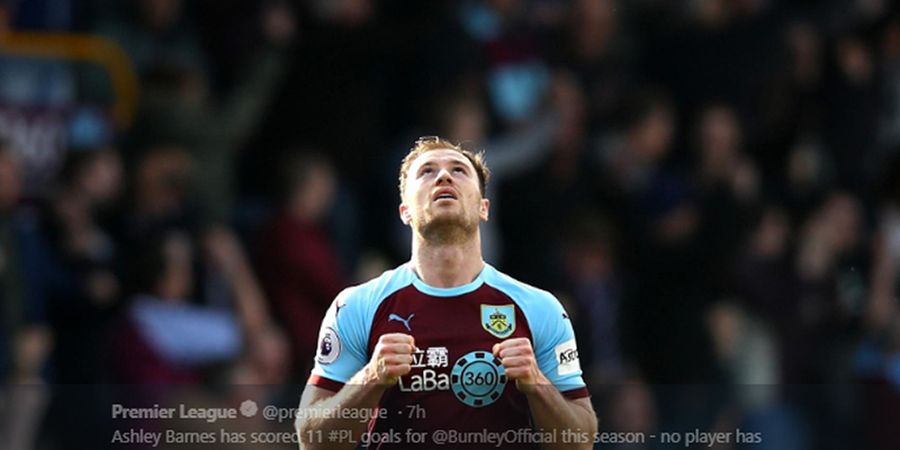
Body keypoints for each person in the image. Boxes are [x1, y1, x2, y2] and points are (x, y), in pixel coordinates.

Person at [296, 137, 597, 449]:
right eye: (427, 171)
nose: (443, 176)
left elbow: (581, 442)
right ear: (405, 211)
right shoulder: (358, 305)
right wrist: (371, 377)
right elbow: (312, 440)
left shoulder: (540, 308)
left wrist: (539, 384)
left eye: (458, 170)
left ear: (483, 208)